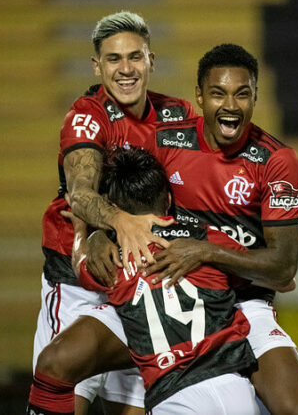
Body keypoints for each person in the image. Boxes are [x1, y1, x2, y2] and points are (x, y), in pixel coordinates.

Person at [30, 44, 298, 415]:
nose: (230, 106)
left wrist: (205, 252)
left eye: (242, 94)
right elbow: (114, 187)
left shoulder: (276, 161)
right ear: (200, 97)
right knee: (57, 361)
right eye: (218, 93)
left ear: (255, 97)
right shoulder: (167, 141)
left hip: (242, 305)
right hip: (162, 286)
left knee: (297, 410)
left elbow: (282, 267)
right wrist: (101, 231)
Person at [28, 11, 197, 415]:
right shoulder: (87, 116)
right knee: (68, 394)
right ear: (97, 66)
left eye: (135, 57)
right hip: (78, 285)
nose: (126, 69)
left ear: (151, 61)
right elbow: (80, 195)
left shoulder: (180, 118)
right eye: (114, 59)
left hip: (142, 286)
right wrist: (117, 224)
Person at [65, 146, 259, 414]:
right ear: (168, 200)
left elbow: (81, 266)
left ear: (117, 209)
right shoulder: (208, 237)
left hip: (173, 392)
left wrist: (81, 227)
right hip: (233, 385)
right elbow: (249, 272)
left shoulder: (114, 259)